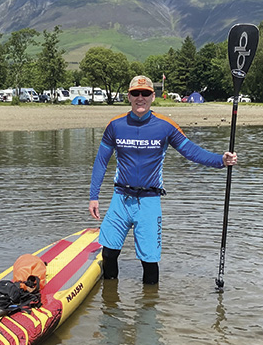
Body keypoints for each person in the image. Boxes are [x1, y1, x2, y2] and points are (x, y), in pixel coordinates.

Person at [88, 75, 237, 285]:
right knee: (109, 254)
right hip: (120, 199)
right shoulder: (115, 125)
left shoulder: (165, 126)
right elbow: (101, 162)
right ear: (129, 96)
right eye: (136, 93)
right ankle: (110, 308)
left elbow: (191, 151)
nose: (141, 98)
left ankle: (149, 309)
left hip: (149, 201)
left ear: (153, 96)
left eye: (146, 93)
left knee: (149, 262)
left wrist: (220, 160)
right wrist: (93, 196)